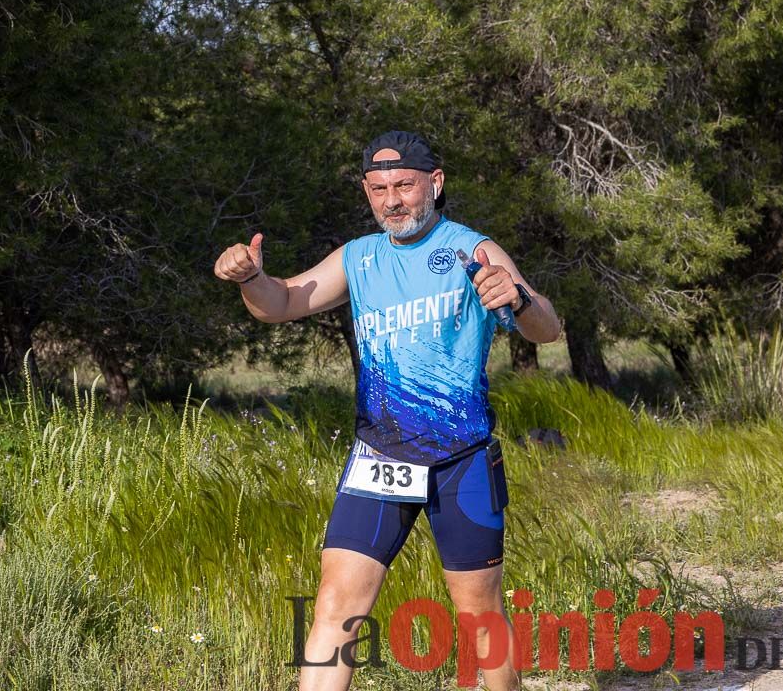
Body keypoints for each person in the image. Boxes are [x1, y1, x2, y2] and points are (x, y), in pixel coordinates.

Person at [214, 130, 562, 690]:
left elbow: (547, 329)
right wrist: (251, 278)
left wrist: (518, 299)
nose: (392, 200)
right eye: (379, 189)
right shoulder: (360, 257)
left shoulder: (472, 249)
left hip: (461, 460)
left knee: (478, 616)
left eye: (404, 184)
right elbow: (281, 303)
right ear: (366, 191)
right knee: (336, 602)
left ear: (436, 183)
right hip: (381, 455)